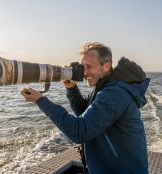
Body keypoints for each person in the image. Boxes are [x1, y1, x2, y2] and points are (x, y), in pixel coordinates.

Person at [21, 42, 150, 174]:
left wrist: (41, 101)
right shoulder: (104, 87)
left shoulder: (114, 94)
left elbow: (80, 132)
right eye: (83, 67)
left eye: (89, 67)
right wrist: (71, 88)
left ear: (106, 66)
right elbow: (84, 113)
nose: (84, 72)